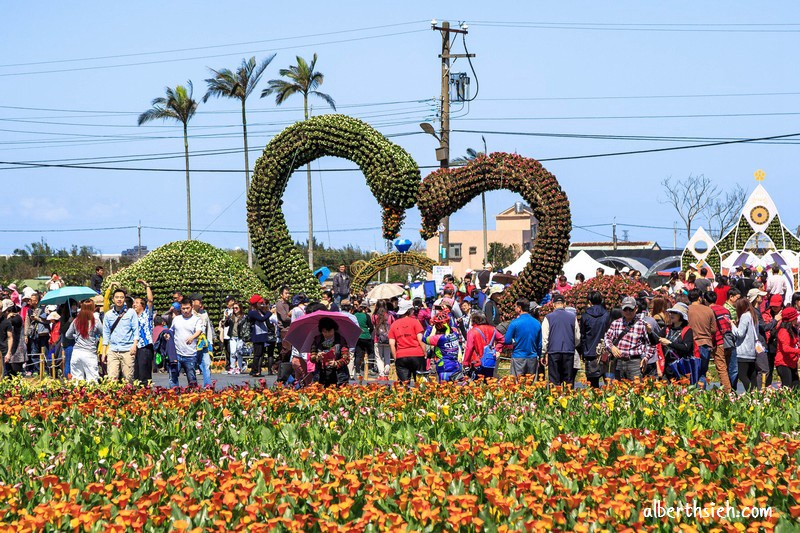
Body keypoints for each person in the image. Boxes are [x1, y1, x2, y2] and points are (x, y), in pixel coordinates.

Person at [604, 297, 650, 381]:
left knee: (636, 389)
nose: (628, 312)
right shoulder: (616, 323)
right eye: (625, 309)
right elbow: (607, 337)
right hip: (619, 362)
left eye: (630, 309)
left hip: (635, 362)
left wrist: (646, 358)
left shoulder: (642, 324)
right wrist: (612, 347)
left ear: (636, 309)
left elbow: (650, 344)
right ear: (622, 309)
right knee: (619, 389)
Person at [542, 294, 580, 386]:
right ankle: (568, 398)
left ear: (553, 305)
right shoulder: (572, 317)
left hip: (553, 351)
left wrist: (544, 352)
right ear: (564, 304)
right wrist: (573, 345)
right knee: (568, 381)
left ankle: (555, 399)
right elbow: (577, 336)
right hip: (569, 351)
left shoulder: (548, 317)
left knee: (554, 381)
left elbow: (544, 337)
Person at [102, 288, 138, 384]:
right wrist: (104, 352)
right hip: (113, 350)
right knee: (111, 379)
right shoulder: (108, 315)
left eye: (121, 297)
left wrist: (135, 345)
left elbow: (136, 330)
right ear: (113, 299)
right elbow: (106, 334)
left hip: (127, 350)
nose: (119, 299)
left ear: (124, 299)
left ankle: (128, 397)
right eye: (117, 297)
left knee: (128, 379)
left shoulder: (131, 313)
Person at [388, 299, 426, 383]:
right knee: (420, 384)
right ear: (409, 311)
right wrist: (425, 353)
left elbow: (391, 344)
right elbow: (420, 339)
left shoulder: (394, 324)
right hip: (417, 354)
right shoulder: (415, 322)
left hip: (401, 356)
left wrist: (395, 357)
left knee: (404, 385)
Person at [504, 298, 542, 379]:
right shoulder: (537, 323)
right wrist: (539, 356)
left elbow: (507, 340)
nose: (514, 308)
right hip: (532, 357)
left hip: (518, 356)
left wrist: (514, 341)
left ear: (519, 308)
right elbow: (539, 343)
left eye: (515, 307)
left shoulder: (514, 323)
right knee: (531, 385)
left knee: (517, 384)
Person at [64, 299, 102, 382]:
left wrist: (75, 337)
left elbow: (67, 335)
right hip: (90, 353)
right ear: (92, 308)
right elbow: (104, 333)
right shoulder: (96, 321)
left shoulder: (76, 321)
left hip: (77, 352)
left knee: (76, 381)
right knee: (92, 381)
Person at [655, 302, 694, 380]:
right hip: (666, 367)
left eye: (675, 313)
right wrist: (649, 332)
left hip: (681, 367)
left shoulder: (687, 330)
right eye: (671, 312)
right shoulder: (667, 328)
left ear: (681, 316)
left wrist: (669, 343)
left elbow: (686, 348)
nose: (671, 314)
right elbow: (655, 339)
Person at [705, 291, 734, 394]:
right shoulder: (725, 309)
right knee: (727, 366)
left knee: (721, 368)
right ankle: (726, 388)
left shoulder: (709, 311)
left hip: (718, 341)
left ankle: (727, 392)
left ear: (705, 300)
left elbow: (712, 329)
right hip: (729, 341)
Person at [168, 297, 201, 388]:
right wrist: (167, 335)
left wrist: (192, 337)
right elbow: (171, 331)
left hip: (190, 354)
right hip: (177, 354)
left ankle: (194, 396)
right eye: (183, 308)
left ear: (192, 307)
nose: (185, 311)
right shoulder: (176, 319)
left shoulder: (196, 319)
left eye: (187, 308)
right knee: (173, 377)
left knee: (192, 378)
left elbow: (199, 331)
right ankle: (173, 395)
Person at [580, 291, 610, 388]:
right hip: (605, 351)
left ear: (589, 301)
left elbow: (583, 336)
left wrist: (583, 352)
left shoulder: (585, 316)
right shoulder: (606, 315)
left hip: (590, 352)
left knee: (592, 384)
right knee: (609, 382)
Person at [686, 289, 716, 387]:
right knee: (702, 372)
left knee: (690, 372)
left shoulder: (686, 310)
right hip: (705, 343)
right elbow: (713, 329)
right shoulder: (708, 310)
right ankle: (701, 395)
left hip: (690, 344)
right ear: (700, 298)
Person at [309, 317, 350, 387]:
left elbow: (346, 358)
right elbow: (312, 357)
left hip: (338, 376)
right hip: (320, 376)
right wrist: (317, 357)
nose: (327, 334)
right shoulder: (317, 340)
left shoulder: (340, 340)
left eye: (330, 331)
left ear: (334, 329)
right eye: (324, 331)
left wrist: (336, 363)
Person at [424, 308, 463, 381]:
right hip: (456, 366)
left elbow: (424, 338)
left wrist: (430, 326)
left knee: (444, 389)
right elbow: (450, 328)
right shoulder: (454, 334)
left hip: (444, 367)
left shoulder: (438, 338)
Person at [463, 311, 505, 379]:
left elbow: (469, 348)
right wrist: (497, 350)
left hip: (477, 361)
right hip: (490, 360)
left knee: (477, 383)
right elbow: (502, 339)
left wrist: (465, 363)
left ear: (474, 321)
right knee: (489, 381)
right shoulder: (493, 329)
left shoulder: (472, 332)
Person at [733, 297, 760, 392]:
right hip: (752, 351)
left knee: (742, 375)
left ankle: (750, 393)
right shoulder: (754, 316)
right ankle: (756, 394)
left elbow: (740, 333)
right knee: (752, 375)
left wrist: (732, 325)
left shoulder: (745, 316)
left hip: (743, 351)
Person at [131, 280, 154, 386]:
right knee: (135, 374)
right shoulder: (131, 316)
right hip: (135, 346)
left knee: (144, 373)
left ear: (142, 306)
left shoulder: (146, 314)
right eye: (133, 303)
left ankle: (146, 393)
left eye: (136, 303)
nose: (134, 305)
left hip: (145, 346)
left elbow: (150, 300)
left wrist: (146, 285)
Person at [191, 295, 214, 388]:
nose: (200, 302)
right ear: (193, 302)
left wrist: (210, 342)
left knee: (206, 364)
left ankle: (207, 385)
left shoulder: (204, 313)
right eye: (198, 300)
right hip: (192, 343)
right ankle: (193, 385)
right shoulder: (190, 313)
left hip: (204, 343)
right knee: (192, 366)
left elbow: (208, 329)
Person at [775, 307, 800, 388]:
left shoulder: (792, 329)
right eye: (795, 317)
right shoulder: (783, 331)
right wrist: (798, 351)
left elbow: (795, 342)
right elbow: (786, 348)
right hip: (783, 363)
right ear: (791, 319)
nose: (797, 319)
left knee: (796, 387)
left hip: (791, 363)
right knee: (787, 388)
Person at [248, 294, 271, 377]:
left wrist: (265, 309)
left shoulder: (259, 311)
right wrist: (270, 312)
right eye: (260, 303)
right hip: (257, 335)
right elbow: (262, 319)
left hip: (261, 334)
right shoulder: (252, 312)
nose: (261, 304)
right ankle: (254, 370)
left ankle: (257, 370)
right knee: (257, 354)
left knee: (260, 353)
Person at [1, 301, 25, 378]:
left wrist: (8, 317)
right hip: (10, 349)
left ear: (8, 311)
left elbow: (9, 323)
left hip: (17, 350)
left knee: (14, 375)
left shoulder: (16, 318)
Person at [372, 301, 394, 380]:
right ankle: (386, 373)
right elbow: (393, 325)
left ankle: (381, 374)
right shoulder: (390, 316)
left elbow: (373, 324)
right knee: (387, 356)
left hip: (377, 339)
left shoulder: (374, 316)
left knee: (379, 357)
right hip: (388, 339)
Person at [225, 302, 248, 374]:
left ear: (240, 308)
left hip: (240, 337)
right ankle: (232, 367)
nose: (235, 309)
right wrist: (227, 318)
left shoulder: (244, 317)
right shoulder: (231, 316)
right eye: (233, 308)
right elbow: (226, 325)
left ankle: (239, 367)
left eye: (236, 308)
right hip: (232, 336)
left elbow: (246, 327)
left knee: (239, 353)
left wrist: (245, 337)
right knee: (232, 352)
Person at [352, 302, 373, 378]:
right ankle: (370, 368)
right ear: (365, 309)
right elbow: (371, 327)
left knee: (358, 354)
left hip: (357, 336)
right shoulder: (366, 316)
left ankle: (357, 371)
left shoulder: (355, 315)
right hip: (366, 336)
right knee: (370, 352)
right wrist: (369, 332)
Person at [276, 286, 293, 366]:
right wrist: (293, 317)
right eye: (286, 293)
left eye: (288, 293)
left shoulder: (289, 304)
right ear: (281, 294)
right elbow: (284, 318)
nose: (288, 295)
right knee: (286, 349)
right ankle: (277, 364)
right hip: (284, 329)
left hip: (291, 328)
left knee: (291, 349)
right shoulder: (280, 304)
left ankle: (285, 365)